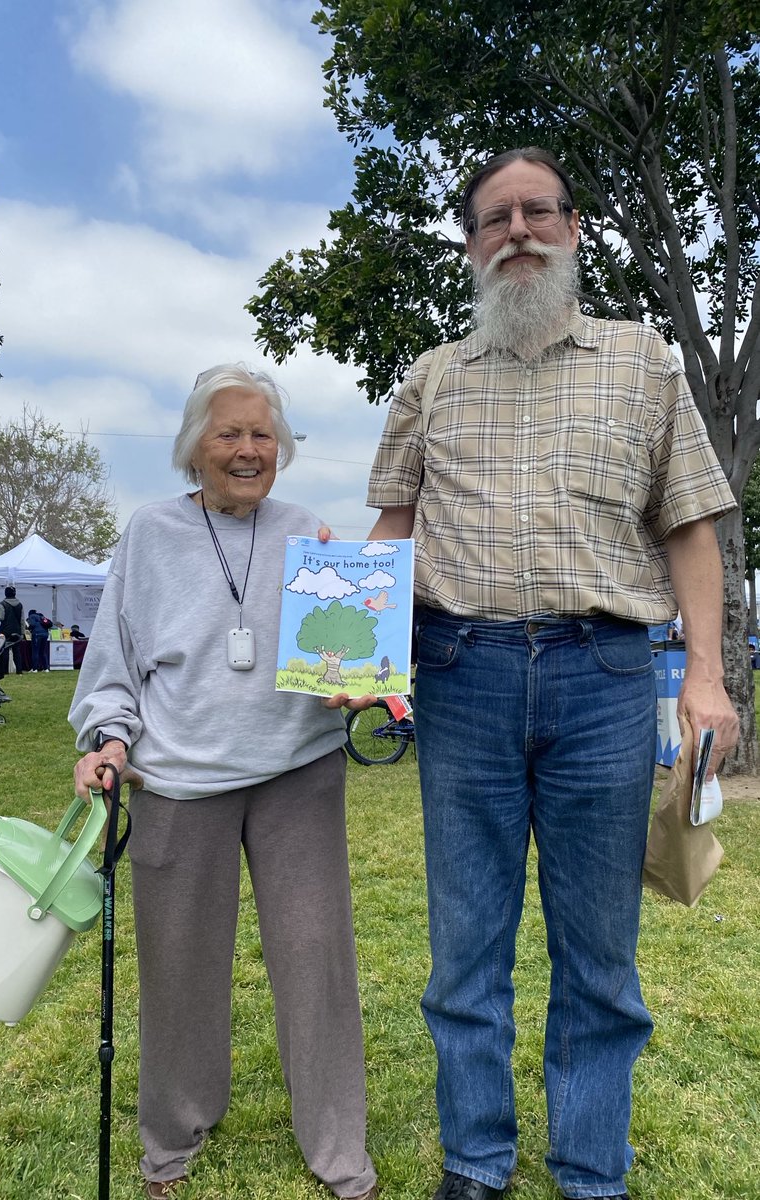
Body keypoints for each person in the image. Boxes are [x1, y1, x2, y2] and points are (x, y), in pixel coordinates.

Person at [366, 146, 739, 1200]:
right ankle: (475, 1164)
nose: (518, 230)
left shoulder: (647, 361)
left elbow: (693, 529)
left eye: (539, 212)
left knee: (599, 954)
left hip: (607, 679)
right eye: (495, 218)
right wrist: (352, 647)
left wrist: (705, 678)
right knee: (465, 949)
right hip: (461, 675)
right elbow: (389, 534)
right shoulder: (430, 377)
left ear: (576, 230)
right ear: (473, 245)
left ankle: (589, 1170)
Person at [69, 364, 377, 1200]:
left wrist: (367, 679)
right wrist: (105, 737)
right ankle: (171, 1140)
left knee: (318, 963)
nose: (249, 450)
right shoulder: (148, 536)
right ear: (192, 449)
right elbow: (112, 670)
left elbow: (346, 650)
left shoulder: (311, 531)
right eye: (229, 433)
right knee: (176, 969)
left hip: (297, 775)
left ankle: (338, 1148)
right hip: (175, 784)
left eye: (263, 434)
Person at [0, 585, 25, 671]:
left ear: (5, 593)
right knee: (17, 652)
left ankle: (5, 671)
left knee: (5, 651)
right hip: (17, 631)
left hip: (5, 631)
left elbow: (0, 617)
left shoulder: (3, 604)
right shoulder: (20, 605)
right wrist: (22, 633)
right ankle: (19, 671)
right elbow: (22, 620)